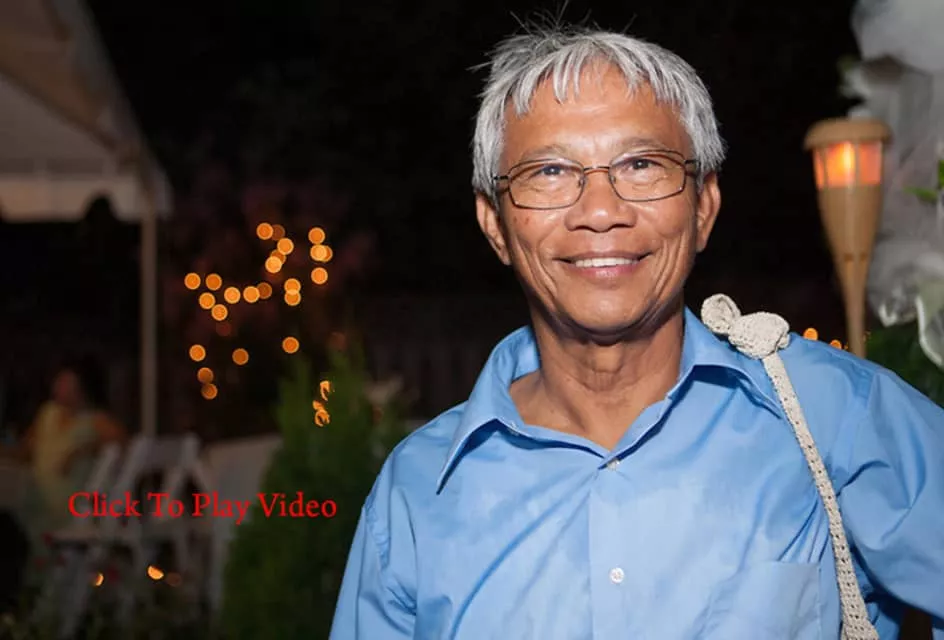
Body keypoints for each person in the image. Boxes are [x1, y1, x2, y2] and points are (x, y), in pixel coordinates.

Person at [330, 24, 944, 639]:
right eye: (550, 171)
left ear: (703, 206)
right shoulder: (417, 495)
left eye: (642, 164)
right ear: (495, 225)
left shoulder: (832, 414)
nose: (601, 211)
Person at [17, 357, 127, 551]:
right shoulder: (48, 413)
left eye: (65, 381)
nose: (57, 386)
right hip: (38, 499)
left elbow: (123, 446)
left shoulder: (96, 421)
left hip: (75, 507)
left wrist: (86, 449)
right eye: (58, 380)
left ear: (83, 386)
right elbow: (25, 450)